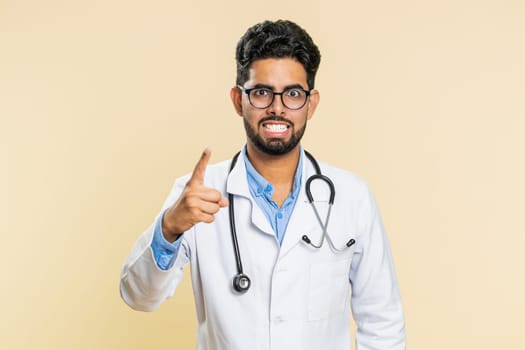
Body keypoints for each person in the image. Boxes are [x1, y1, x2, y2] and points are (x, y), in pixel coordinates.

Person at [120, 19, 406, 350]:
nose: (277, 108)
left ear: (311, 104)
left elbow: (382, 322)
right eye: (261, 92)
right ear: (237, 99)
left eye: (293, 94)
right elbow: (138, 297)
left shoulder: (351, 196)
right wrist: (170, 228)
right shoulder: (196, 195)